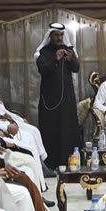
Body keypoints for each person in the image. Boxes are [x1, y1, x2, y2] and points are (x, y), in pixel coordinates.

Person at [0, 63, 49, 175]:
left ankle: (41, 165)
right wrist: (4, 130)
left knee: (33, 132)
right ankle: (39, 169)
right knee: (28, 139)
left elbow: (1, 111)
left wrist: (17, 119)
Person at [35, 23, 81, 170]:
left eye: (61, 35)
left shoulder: (69, 50)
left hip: (67, 98)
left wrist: (71, 59)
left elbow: (76, 68)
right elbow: (43, 70)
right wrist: (55, 58)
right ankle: (51, 163)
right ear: (50, 35)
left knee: (67, 127)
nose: (59, 38)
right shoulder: (43, 52)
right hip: (49, 99)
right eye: (56, 35)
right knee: (51, 129)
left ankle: (69, 161)